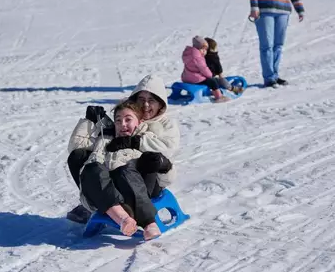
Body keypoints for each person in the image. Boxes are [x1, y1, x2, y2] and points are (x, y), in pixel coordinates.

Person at [66, 74, 181, 225]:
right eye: (141, 100)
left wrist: (134, 141)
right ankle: (96, 199)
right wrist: (94, 121)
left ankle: (130, 206)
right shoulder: (126, 119)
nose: (146, 105)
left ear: (160, 104)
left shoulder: (166, 124)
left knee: (142, 163)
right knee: (79, 156)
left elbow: (168, 149)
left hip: (150, 177)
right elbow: (104, 144)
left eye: (151, 100)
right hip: (117, 172)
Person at [68, 100, 169, 240]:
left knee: (124, 171)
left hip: (135, 191)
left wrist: (160, 162)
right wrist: (88, 121)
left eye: (128, 119)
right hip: (103, 194)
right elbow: (75, 148)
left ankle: (148, 223)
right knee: (92, 168)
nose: (123, 125)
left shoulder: (146, 138)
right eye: (118, 120)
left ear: (139, 122)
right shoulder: (104, 139)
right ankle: (123, 219)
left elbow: (164, 157)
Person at [181, 36, 230, 103]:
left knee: (205, 78)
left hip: (186, 78)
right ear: (198, 48)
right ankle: (219, 97)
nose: (204, 51)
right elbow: (203, 68)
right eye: (203, 49)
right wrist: (210, 75)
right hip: (195, 79)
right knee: (213, 81)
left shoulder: (188, 54)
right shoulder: (197, 57)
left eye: (205, 50)